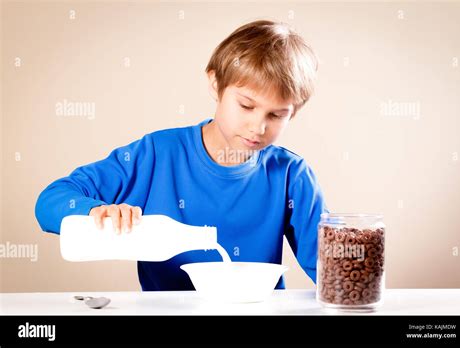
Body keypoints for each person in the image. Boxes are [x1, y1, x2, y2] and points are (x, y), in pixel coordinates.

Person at [35, 19, 330, 290]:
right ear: (216, 84)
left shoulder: (292, 175)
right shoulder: (156, 155)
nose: (258, 127)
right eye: (246, 106)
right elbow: (49, 202)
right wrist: (94, 212)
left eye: (277, 115)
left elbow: (331, 271)